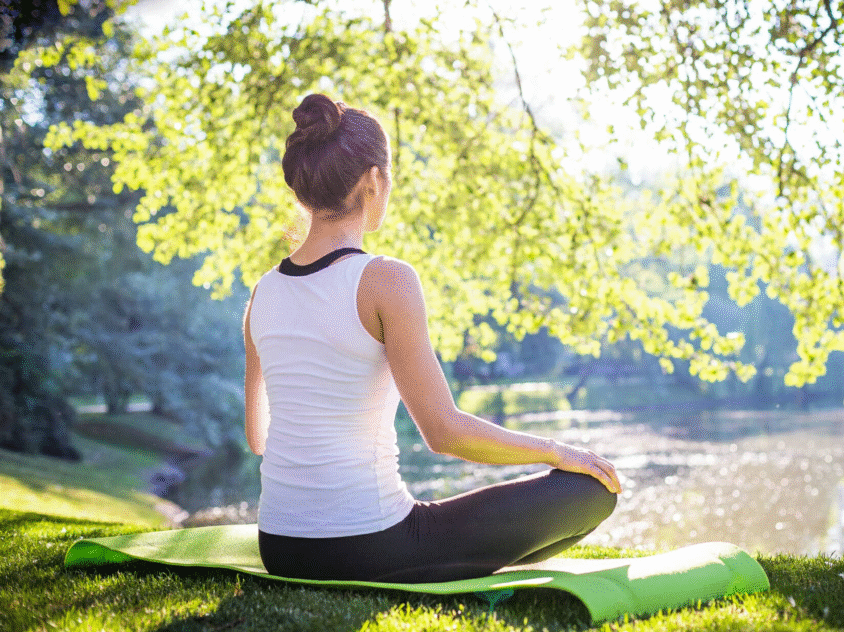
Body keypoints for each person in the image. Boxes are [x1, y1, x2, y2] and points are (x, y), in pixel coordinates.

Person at [243, 93, 620, 584]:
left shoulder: (263, 291)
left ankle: (451, 557)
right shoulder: (387, 279)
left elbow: (258, 437)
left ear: (302, 190)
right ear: (375, 180)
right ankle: (453, 562)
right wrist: (556, 451)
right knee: (591, 491)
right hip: (373, 545)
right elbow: (444, 433)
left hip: (280, 546)